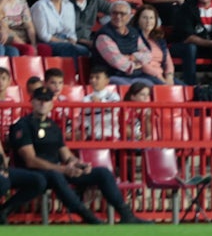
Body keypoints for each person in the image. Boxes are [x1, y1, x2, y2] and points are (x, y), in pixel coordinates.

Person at [5, 87, 150, 224]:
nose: (43, 103)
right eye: (39, 99)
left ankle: (126, 214)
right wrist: (62, 169)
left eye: (47, 100)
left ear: (52, 104)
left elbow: (65, 154)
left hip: (57, 170)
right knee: (55, 175)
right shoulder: (23, 125)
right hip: (36, 172)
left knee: (102, 173)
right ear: (32, 102)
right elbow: (30, 160)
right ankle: (87, 216)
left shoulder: (53, 126)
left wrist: (78, 163)